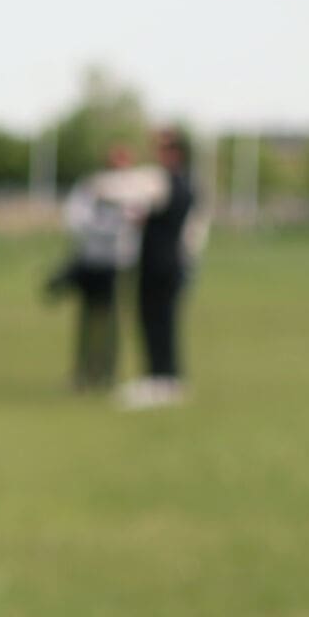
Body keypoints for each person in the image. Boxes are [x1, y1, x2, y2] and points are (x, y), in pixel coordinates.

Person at [47, 144, 145, 392]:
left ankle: (108, 374)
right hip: (91, 259)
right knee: (87, 320)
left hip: (118, 262)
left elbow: (135, 224)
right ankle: (84, 372)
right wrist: (105, 229)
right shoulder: (91, 186)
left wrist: (112, 228)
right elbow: (77, 219)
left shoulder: (135, 189)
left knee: (112, 320)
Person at [122, 126, 207, 409]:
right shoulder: (186, 183)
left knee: (158, 321)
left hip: (160, 263)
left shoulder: (166, 182)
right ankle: (162, 377)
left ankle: (162, 379)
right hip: (168, 262)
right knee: (160, 321)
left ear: (175, 152)